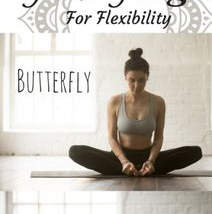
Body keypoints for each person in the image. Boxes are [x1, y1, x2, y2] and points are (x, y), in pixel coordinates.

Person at [69, 48, 202, 176]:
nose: (136, 85)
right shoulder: (114, 102)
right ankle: (126, 168)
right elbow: (112, 138)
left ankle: (143, 169)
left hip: (149, 157)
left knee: (195, 152)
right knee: (75, 151)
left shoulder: (158, 102)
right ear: (125, 77)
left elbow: (158, 138)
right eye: (132, 80)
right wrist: (124, 161)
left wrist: (150, 161)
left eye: (141, 80)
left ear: (147, 77)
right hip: (120, 158)